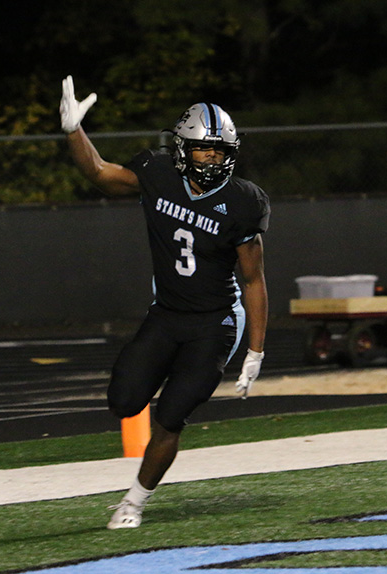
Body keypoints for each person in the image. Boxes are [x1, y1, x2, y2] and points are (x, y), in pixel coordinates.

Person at [60, 76, 270, 529]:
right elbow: (99, 173)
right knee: (122, 401)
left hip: (216, 323)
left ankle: (132, 502)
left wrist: (255, 349)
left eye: (219, 150)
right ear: (181, 148)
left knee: (170, 415)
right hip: (167, 314)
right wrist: (74, 131)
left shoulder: (243, 201)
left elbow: (253, 279)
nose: (211, 157)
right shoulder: (157, 174)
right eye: (202, 149)